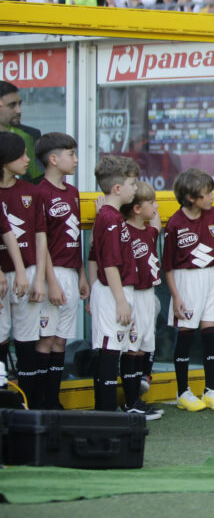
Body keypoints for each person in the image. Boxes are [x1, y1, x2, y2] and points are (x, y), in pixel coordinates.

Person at [163, 168, 214, 412]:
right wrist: (176, 296)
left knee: (211, 332)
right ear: (191, 197)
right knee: (187, 335)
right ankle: (183, 392)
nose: (212, 196)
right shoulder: (175, 223)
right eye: (207, 193)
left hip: (211, 278)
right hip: (186, 280)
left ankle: (210, 390)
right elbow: (167, 266)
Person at [36, 133, 87, 410]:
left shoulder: (73, 192)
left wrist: (80, 275)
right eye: (71, 154)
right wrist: (51, 281)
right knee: (45, 340)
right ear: (54, 160)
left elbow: (76, 236)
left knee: (60, 341)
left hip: (70, 272)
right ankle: (39, 401)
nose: (76, 160)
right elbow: (40, 241)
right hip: (50, 274)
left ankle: (53, 400)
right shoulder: (40, 192)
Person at [88, 155, 140, 412]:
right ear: (117, 188)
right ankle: (106, 411)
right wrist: (120, 301)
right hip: (111, 292)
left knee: (113, 348)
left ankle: (106, 410)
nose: (136, 188)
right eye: (132, 183)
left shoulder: (110, 216)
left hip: (115, 290)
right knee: (109, 350)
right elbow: (109, 263)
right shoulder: (110, 219)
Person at [0, 133, 45, 409]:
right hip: (4, 277)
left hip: (25, 273)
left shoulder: (32, 191)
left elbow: (41, 236)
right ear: (4, 161)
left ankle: (28, 404)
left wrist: (37, 277)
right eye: (21, 155)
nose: (28, 160)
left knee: (28, 337)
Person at [119, 182, 163, 420]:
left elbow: (156, 223)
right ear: (136, 208)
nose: (157, 207)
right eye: (152, 203)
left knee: (143, 346)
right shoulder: (123, 230)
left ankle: (137, 398)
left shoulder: (149, 231)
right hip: (132, 293)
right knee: (131, 347)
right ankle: (130, 402)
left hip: (148, 293)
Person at [0, 81, 43, 182]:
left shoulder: (30, 135)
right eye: (12, 105)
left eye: (19, 104)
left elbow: (36, 179)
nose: (19, 110)